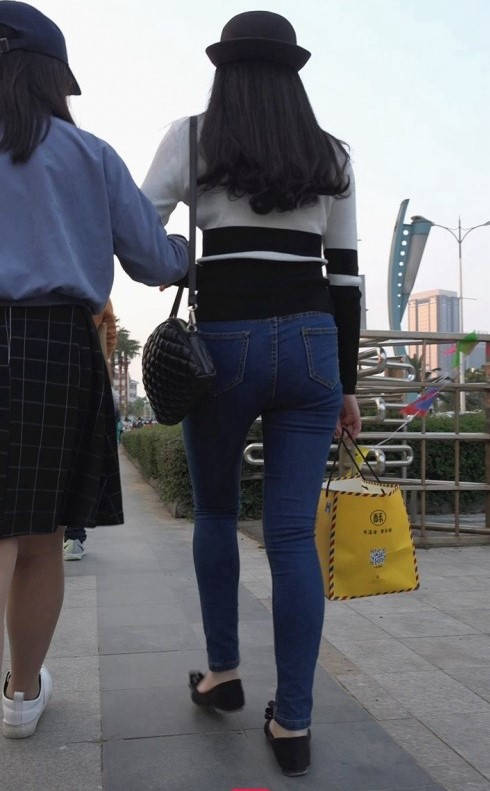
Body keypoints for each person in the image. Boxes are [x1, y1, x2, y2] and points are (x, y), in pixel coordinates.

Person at [143, 10, 362, 778]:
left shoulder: (193, 139)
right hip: (312, 348)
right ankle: (293, 722)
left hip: (224, 346)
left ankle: (223, 673)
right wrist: (346, 384)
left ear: (225, 69)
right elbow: (345, 277)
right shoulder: (330, 153)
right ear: (293, 74)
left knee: (214, 511)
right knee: (293, 536)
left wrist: (185, 260)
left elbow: (140, 228)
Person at [0, 2, 187, 739]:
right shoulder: (89, 155)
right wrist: (187, 252)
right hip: (53, 347)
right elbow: (154, 259)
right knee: (40, 534)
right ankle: (21, 696)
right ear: (53, 76)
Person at [63, 299, 118, 561]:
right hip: (84, 372)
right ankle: (73, 537)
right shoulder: (91, 288)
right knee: (78, 460)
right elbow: (109, 331)